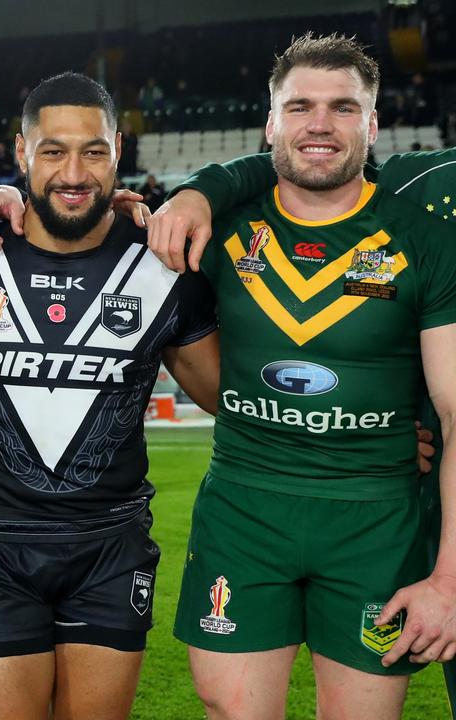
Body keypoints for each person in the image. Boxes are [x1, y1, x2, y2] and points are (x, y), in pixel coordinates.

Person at [137, 34, 456, 720]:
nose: (319, 123)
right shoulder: (216, 225)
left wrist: (450, 580)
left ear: (372, 125)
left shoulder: (425, 240)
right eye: (299, 106)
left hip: (376, 522)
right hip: (244, 512)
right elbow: (95, 222)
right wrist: (3, 200)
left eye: (343, 107)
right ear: (270, 123)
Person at [0, 72, 220, 720]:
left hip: (110, 549)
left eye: (93, 151)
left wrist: (375, 426)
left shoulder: (166, 270)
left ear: (117, 153)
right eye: (52, 151)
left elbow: (231, 396)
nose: (74, 172)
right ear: (22, 155)